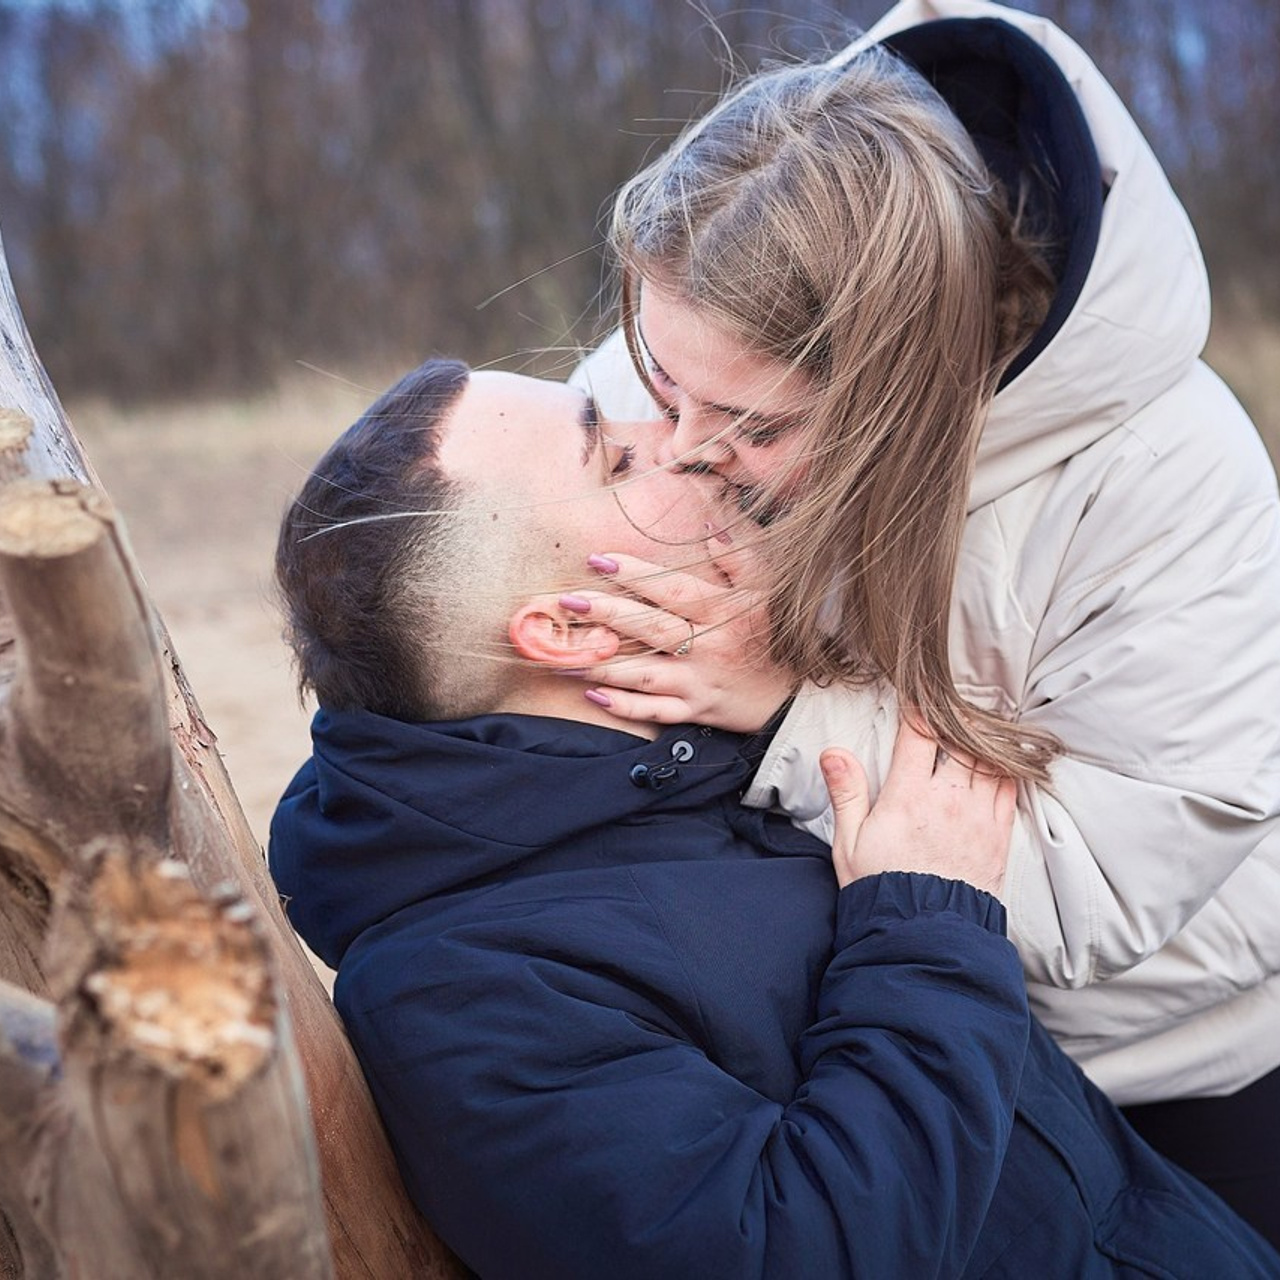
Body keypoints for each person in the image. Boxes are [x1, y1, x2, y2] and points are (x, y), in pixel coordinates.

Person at [268, 358, 1279, 1279]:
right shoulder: (463, 998)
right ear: (568, 626)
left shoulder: (667, 764)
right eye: (615, 455)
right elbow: (795, 1253)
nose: (676, 436)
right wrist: (925, 928)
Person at [568, 0, 1280, 1241]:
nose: (677, 445)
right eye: (660, 382)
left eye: (755, 430)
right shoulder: (721, 310)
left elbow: (1111, 867)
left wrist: (794, 710)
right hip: (864, 1032)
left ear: (907, 389)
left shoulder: (1172, 472)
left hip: (1170, 1056)